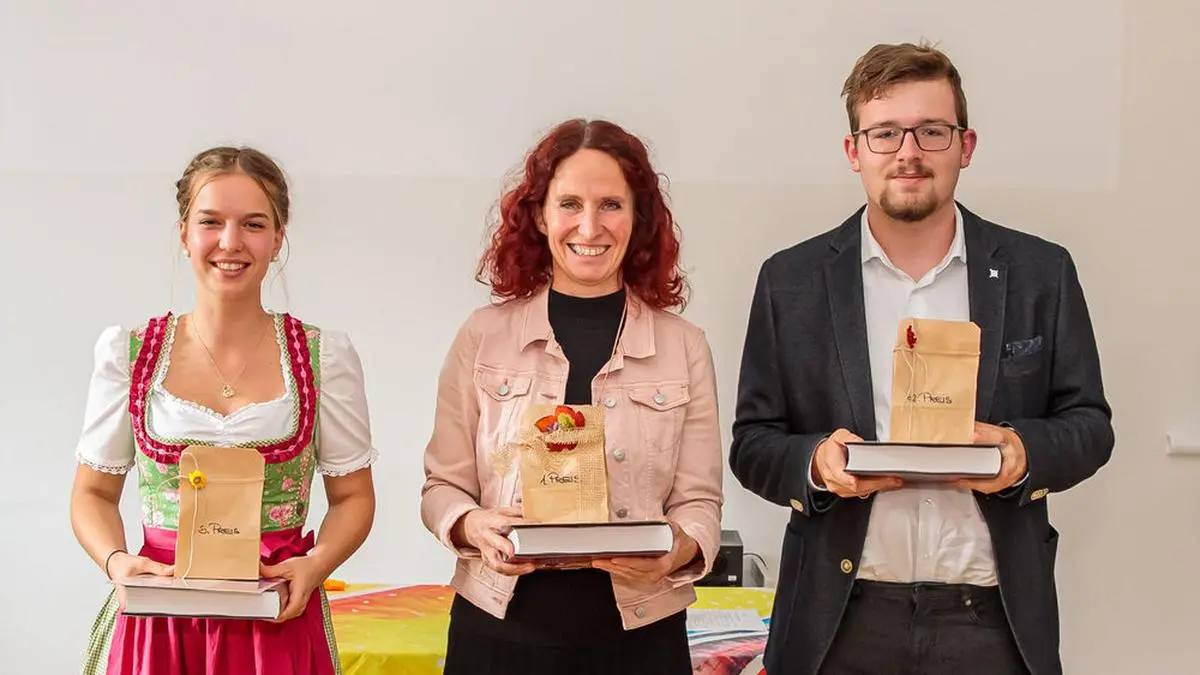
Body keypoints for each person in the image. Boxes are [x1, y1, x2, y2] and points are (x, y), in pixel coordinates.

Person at [729, 42, 1114, 675]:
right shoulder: (790, 281)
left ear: (965, 146)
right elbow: (754, 444)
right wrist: (819, 463)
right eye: (885, 133)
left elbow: (1090, 425)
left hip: (994, 621)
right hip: (838, 620)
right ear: (855, 152)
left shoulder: (1041, 272)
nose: (908, 152)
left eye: (931, 131)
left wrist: (1020, 454)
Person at [420, 118, 724, 675]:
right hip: (497, 631)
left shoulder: (685, 347)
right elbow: (442, 487)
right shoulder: (482, 337)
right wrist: (471, 525)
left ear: (639, 218)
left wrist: (676, 550)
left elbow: (700, 503)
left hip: (641, 638)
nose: (590, 225)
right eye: (569, 204)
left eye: (611, 204)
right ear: (539, 215)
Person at [71, 146, 378, 675]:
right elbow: (92, 494)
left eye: (253, 224)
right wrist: (117, 563)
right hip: (159, 623)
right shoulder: (130, 354)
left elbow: (353, 497)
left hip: (276, 615)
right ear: (184, 232)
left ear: (278, 238)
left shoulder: (324, 357)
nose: (230, 242)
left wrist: (315, 565)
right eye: (211, 222)